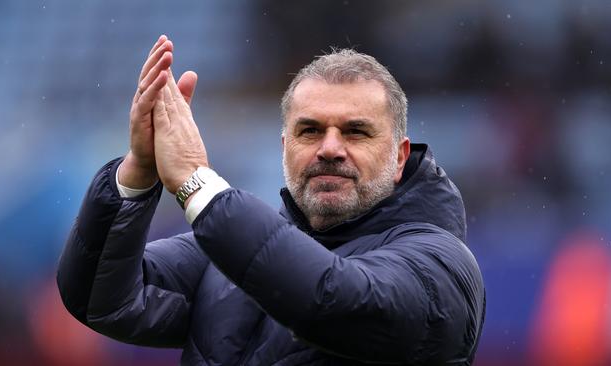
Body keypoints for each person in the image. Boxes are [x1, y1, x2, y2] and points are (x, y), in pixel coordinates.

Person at [57, 35, 485, 365]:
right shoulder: (229, 246)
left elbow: (332, 302)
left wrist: (196, 184)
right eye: (310, 131)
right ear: (284, 147)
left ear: (399, 156)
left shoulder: (440, 262)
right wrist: (138, 169)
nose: (330, 148)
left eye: (356, 131)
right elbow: (100, 299)